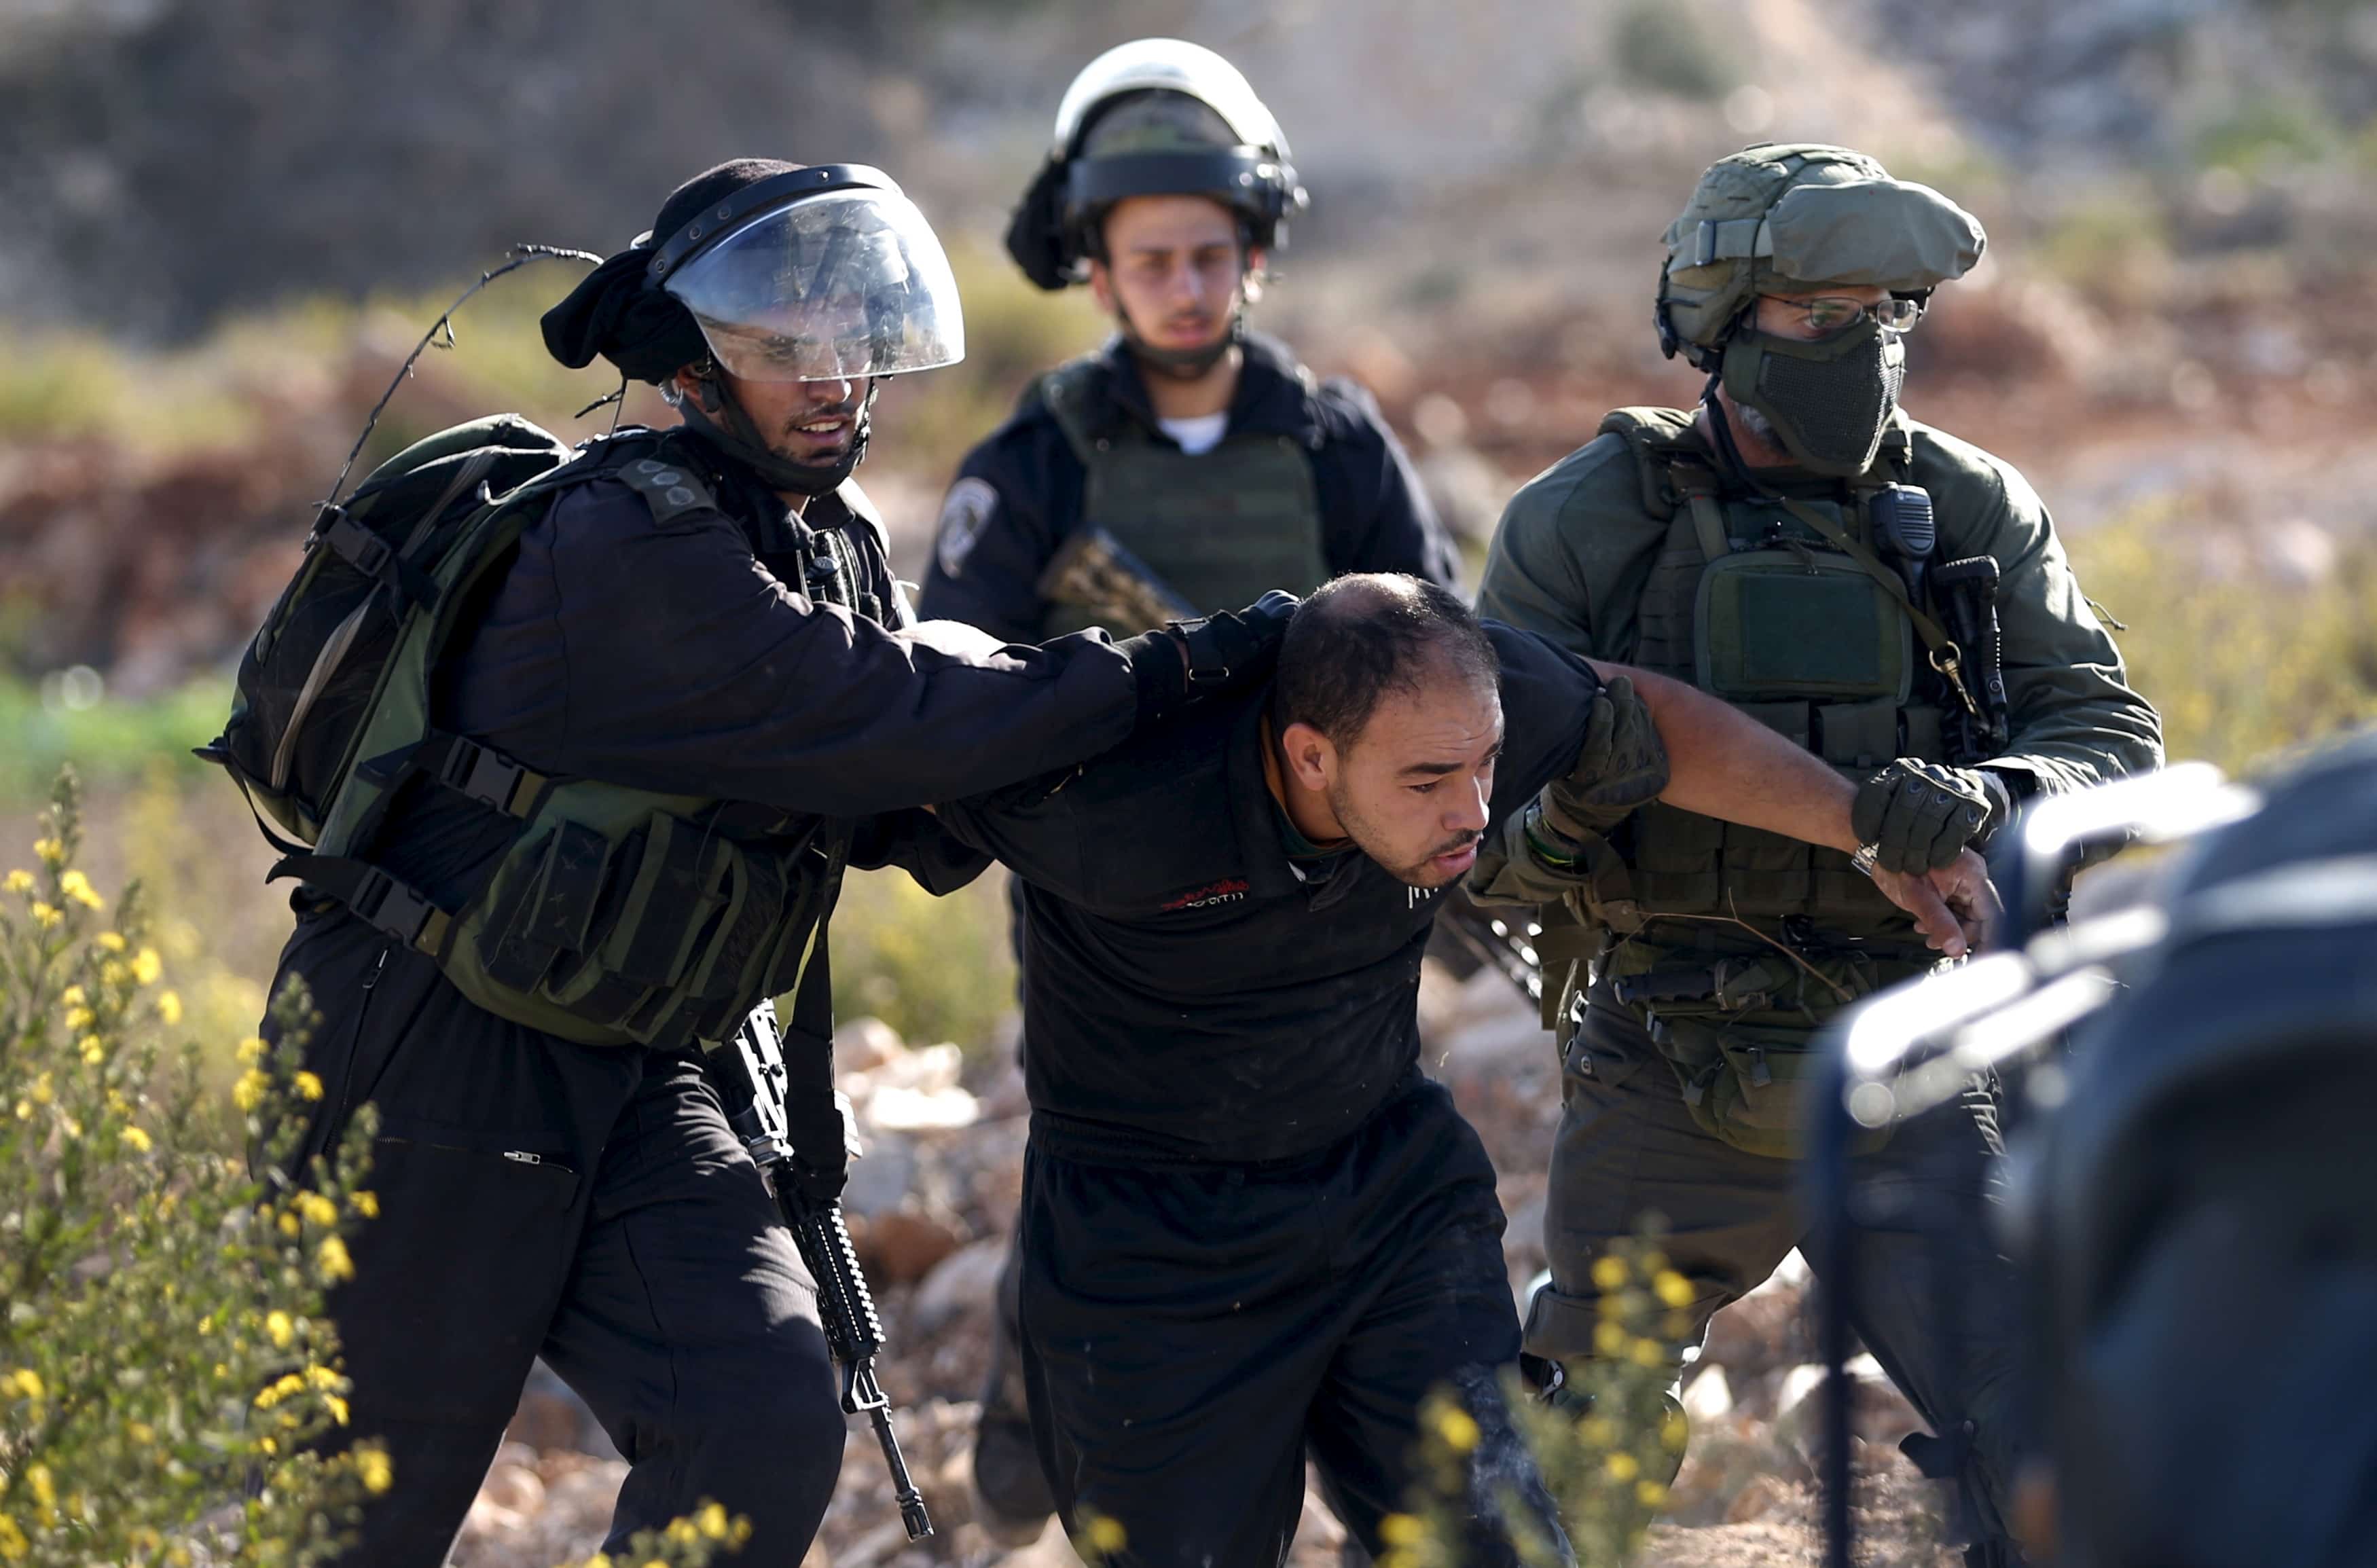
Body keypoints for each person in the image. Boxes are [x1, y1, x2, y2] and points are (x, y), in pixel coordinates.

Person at [249, 158, 1288, 1565]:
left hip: (644, 1067)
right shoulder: (622, 543)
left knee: (759, 1423)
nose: (831, 381)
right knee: (357, 1521)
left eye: (851, 345)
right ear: (692, 367)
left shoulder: (830, 548)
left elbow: (907, 798)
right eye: (780, 349)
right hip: (431, 1054)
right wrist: (1171, 667)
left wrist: (1232, 770)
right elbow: (880, 719)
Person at [930, 572, 1989, 1568]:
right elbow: (903, 724)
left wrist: (1866, 833)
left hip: (1387, 1194)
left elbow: (1642, 717)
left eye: (1485, 763)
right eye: (1430, 780)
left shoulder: (1453, 713)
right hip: (1148, 1243)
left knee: (1499, 1537)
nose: (1474, 810)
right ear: (1309, 755)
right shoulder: (1106, 794)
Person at [1470, 142, 2164, 1566]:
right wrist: (1584, 803)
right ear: (1722, 326)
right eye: (1815, 313)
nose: (1860, 346)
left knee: (2044, 1447)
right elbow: (1481, 858)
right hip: (1665, 1047)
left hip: (1912, 1041)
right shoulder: (1581, 527)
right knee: (1556, 1481)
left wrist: (1987, 792)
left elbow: (2112, 736)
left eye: (1884, 311)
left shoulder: (1964, 508)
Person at [919, 40, 1462, 1535]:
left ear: (1256, 256)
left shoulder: (1334, 441)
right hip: (1115, 901)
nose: (1182, 285)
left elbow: (1434, 630)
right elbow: (950, 667)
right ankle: (1060, 1383)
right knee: (1108, 1148)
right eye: (1148, 257)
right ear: (1093, 269)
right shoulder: (1038, 453)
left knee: (1343, 1122)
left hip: (1331, 882)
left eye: (1210, 255)